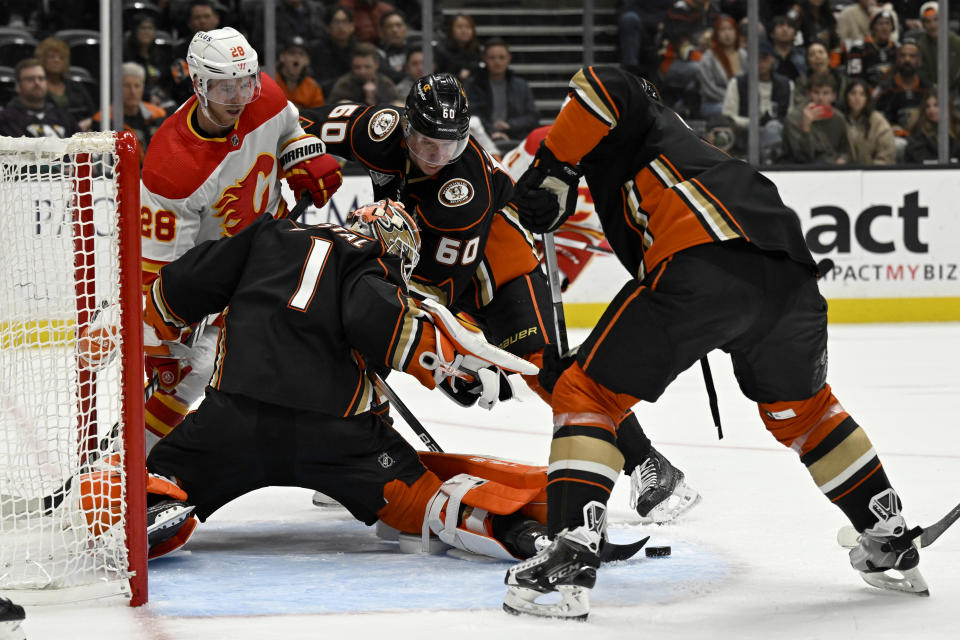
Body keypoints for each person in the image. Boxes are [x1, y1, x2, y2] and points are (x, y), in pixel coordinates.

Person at [506, 65, 927, 619]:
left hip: (704, 262)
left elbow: (601, 84)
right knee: (805, 414)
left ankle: (567, 559)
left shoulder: (637, 111)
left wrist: (551, 166)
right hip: (790, 276)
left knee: (586, 395)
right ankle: (887, 538)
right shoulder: (677, 147)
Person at [299, 73, 700, 527]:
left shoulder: (462, 194)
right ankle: (362, 452)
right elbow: (296, 124)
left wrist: (456, 360)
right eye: (426, 141)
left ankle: (651, 464)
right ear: (405, 125)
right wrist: (294, 158)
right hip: (422, 257)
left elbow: (439, 291)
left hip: (500, 268)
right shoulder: (378, 129)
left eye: (448, 147)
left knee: (546, 371)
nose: (435, 157)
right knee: (360, 335)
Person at [105, 202, 553, 563]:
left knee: (162, 474)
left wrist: (161, 323)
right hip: (339, 439)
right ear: (396, 247)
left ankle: (148, 506)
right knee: (420, 501)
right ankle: (511, 528)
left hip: (234, 422)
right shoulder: (374, 260)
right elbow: (373, 315)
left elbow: (185, 281)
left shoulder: (268, 234)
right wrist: (448, 367)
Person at [139, 26, 343, 451]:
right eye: (223, 87)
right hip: (214, 277)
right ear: (198, 84)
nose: (238, 97)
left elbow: (290, 128)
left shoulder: (263, 95)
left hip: (281, 245)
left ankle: (342, 456)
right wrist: (161, 343)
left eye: (245, 83)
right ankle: (135, 467)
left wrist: (304, 152)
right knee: (193, 370)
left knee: (330, 337)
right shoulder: (170, 167)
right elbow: (162, 271)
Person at [721, 39, 793, 163]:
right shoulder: (737, 83)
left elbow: (790, 117)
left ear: (772, 59)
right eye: (756, 59)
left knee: (773, 127)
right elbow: (729, 116)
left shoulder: (787, 84)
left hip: (778, 135)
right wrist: (755, 122)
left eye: (764, 58)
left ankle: (769, 161)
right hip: (745, 133)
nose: (760, 63)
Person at [466, 38, 539, 143]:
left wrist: (509, 125)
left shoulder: (521, 85)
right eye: (492, 58)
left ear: (509, 58)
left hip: (516, 138)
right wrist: (492, 130)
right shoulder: (473, 85)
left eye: (502, 57)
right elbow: (471, 113)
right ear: (484, 59)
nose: (497, 62)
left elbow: (533, 116)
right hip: (482, 138)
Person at [91, 63, 167, 163]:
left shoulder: (158, 115)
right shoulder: (103, 119)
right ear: (118, 88)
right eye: (127, 86)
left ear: (143, 88)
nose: (132, 91)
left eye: (137, 86)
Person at [784, 71, 852, 164]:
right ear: (808, 94)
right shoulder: (794, 119)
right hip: (801, 171)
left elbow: (846, 151)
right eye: (816, 92)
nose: (820, 98)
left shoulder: (839, 118)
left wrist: (843, 159)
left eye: (826, 93)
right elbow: (802, 158)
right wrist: (806, 128)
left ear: (833, 96)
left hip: (833, 169)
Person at [0, 58, 79, 138]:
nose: (37, 83)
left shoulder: (64, 117)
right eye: (30, 79)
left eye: (41, 78)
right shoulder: (6, 119)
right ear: (18, 86)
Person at [35, 36, 95, 126]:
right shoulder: (36, 86)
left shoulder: (76, 86)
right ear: (42, 60)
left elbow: (92, 112)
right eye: (51, 57)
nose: (57, 60)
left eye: (61, 57)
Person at [696, 14, 746, 117]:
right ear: (716, 34)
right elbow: (709, 89)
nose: (727, 33)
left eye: (730, 29)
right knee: (729, 110)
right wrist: (732, 99)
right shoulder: (708, 57)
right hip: (714, 103)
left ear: (736, 32)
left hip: (741, 102)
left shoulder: (744, 55)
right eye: (722, 30)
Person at [842, 77, 896, 164]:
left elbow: (887, 157)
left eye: (862, 94)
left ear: (867, 98)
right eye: (853, 93)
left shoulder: (878, 122)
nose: (857, 98)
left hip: (873, 173)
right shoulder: (840, 120)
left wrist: (870, 171)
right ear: (846, 96)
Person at [327, 42, 399, 105]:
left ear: (376, 65)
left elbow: (394, 106)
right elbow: (332, 109)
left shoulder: (385, 83)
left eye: (367, 67)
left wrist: (373, 99)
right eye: (357, 67)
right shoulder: (344, 85)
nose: (362, 72)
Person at [845, 9, 900, 90]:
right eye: (880, 23)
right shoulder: (858, 49)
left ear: (892, 28)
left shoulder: (898, 49)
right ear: (873, 27)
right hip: (865, 94)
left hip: (892, 94)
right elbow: (854, 78)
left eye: (888, 23)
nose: (884, 28)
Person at [310, 6, 357, 97]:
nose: (341, 27)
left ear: (352, 26)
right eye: (336, 22)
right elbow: (316, 84)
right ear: (328, 27)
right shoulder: (316, 50)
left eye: (345, 22)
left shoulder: (359, 49)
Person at [915, 2, 960, 95]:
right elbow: (921, 75)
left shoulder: (956, 42)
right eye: (928, 21)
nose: (933, 25)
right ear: (923, 25)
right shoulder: (919, 46)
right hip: (931, 94)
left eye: (936, 20)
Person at [904, 92, 960, 162]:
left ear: (947, 106)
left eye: (936, 105)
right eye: (927, 106)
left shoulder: (956, 128)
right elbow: (923, 159)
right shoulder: (917, 132)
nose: (931, 110)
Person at [275, 36, 325, 109]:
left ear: (307, 61)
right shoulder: (270, 80)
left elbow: (318, 115)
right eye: (292, 53)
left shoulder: (313, 87)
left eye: (301, 54)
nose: (297, 56)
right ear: (282, 57)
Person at [435, 13, 482, 82]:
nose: (464, 30)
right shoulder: (441, 51)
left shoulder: (477, 50)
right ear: (451, 29)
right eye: (459, 27)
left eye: (468, 27)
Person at [376, 10, 416, 84]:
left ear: (406, 28)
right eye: (389, 26)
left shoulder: (415, 48)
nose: (395, 30)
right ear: (381, 31)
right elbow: (388, 76)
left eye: (399, 25)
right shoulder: (378, 52)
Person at [770, 15, 807, 82]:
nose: (785, 29)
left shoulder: (803, 54)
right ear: (772, 33)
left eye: (789, 26)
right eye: (780, 26)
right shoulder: (766, 55)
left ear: (795, 35)